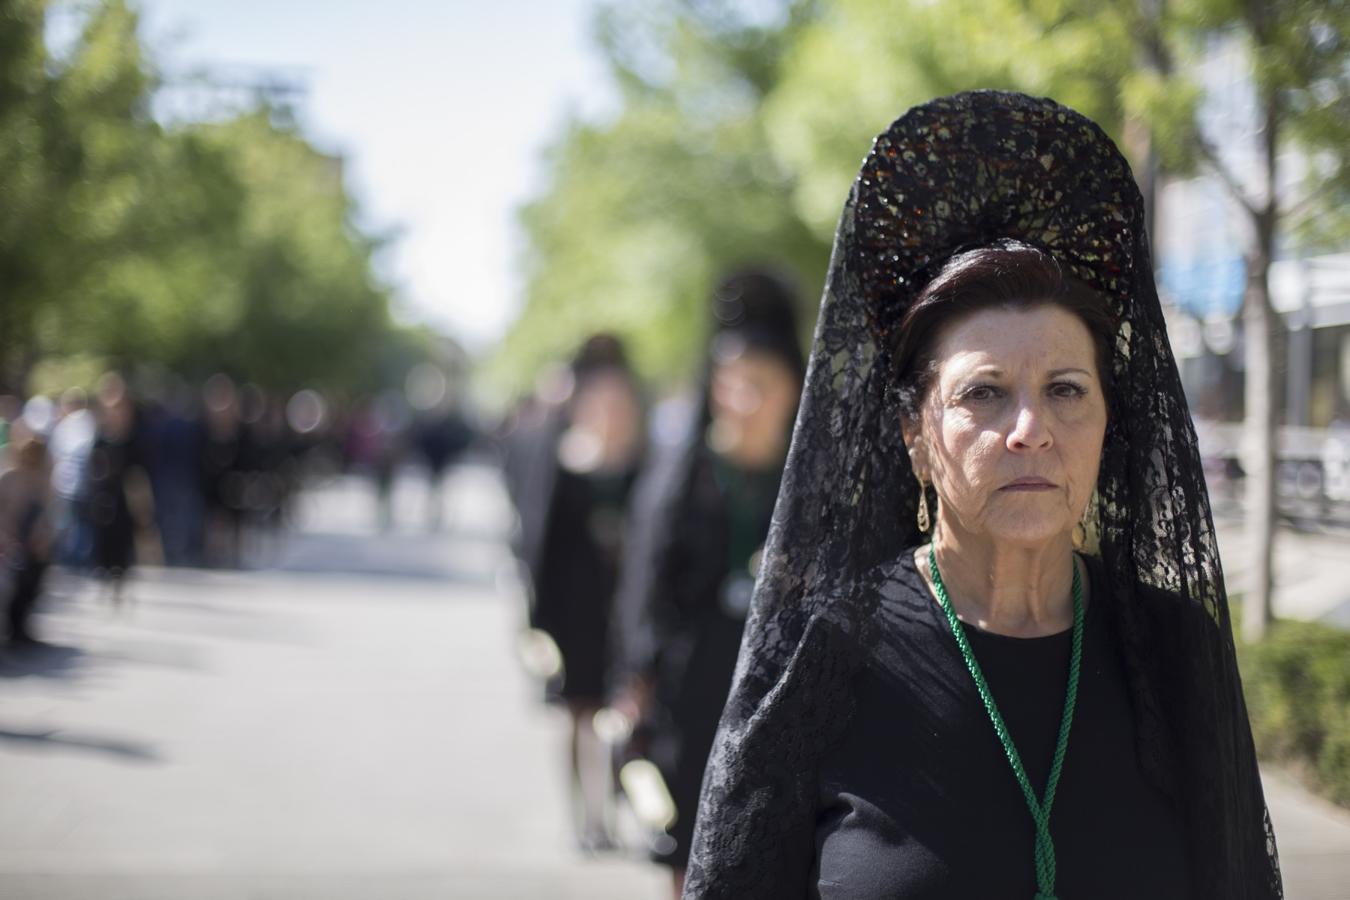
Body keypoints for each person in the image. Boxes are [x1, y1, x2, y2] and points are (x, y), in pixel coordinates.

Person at [683, 91, 1282, 899]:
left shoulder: (1174, 653)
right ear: (913, 436)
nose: (1030, 428)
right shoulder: (822, 657)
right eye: (984, 393)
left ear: (1110, 424)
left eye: (1067, 390)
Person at [611, 268, 805, 897]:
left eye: (762, 386)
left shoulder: (813, 490)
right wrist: (633, 685)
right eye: (733, 386)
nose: (745, 402)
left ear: (793, 389)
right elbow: (647, 591)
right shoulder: (681, 478)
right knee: (687, 848)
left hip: (781, 689)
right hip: (693, 691)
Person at [513, 334, 646, 851]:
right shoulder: (563, 465)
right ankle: (584, 819)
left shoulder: (644, 467)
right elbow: (540, 548)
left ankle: (612, 808)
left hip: (624, 612)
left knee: (618, 716)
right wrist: (538, 625)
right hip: (576, 612)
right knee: (577, 714)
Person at [0, 428, 54, 644]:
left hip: (32, 539)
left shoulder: (41, 479)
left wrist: (42, 536)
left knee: (34, 577)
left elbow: (48, 511)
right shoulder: (8, 478)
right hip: (9, 537)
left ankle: (21, 626)